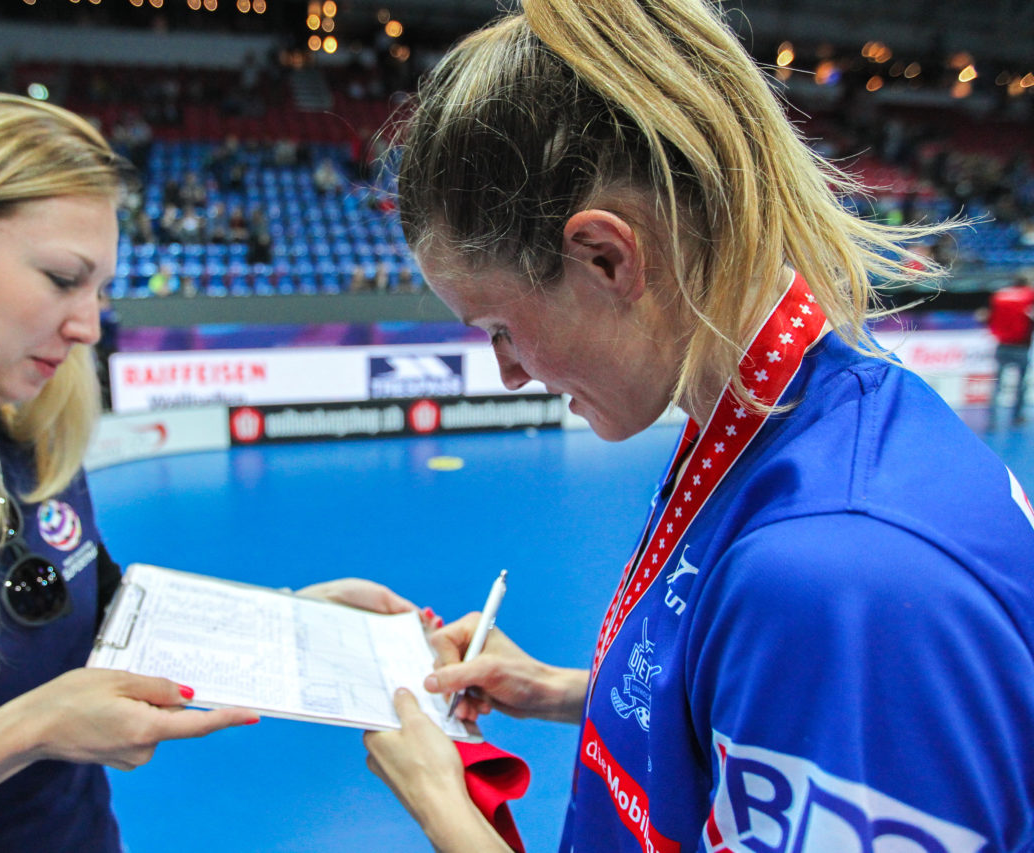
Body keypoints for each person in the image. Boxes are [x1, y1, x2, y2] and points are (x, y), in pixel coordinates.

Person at [361, 2, 1034, 851]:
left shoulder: (835, 577)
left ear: (605, 258)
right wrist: (574, 690)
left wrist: (440, 803)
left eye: (499, 325)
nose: (509, 371)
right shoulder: (793, 418)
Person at [0, 89, 407, 853]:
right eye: (64, 279)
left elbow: (100, 627)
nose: (90, 325)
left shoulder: (28, 436)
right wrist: (19, 735)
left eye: (100, 289)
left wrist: (294, 622)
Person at [987, 275, 1034, 428]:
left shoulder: (1000, 295)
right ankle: (1017, 416)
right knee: (1021, 383)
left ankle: (992, 418)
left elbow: (990, 316)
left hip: (1002, 344)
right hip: (1020, 345)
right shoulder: (1029, 295)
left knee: (998, 383)